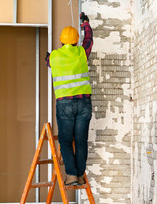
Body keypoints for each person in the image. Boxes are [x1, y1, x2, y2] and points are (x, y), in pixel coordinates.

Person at [45, 12, 93, 186]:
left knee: (66, 140)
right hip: (84, 103)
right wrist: (85, 23)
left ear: (61, 40)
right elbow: (89, 39)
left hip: (65, 104)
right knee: (80, 140)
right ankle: (80, 175)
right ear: (75, 41)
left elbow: (48, 62)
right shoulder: (81, 52)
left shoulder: (55, 57)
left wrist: (47, 57)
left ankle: (71, 176)